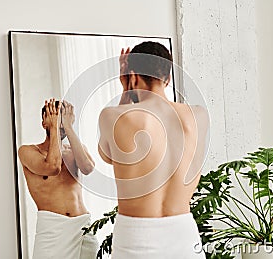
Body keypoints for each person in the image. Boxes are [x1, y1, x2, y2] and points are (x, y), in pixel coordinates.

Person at [98, 42, 208, 258]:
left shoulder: (113, 116)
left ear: (132, 75)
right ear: (167, 78)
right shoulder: (198, 116)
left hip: (136, 238)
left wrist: (126, 91)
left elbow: (108, 156)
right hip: (184, 234)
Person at [18, 98, 98, 259]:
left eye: (63, 117)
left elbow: (88, 168)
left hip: (83, 227)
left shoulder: (76, 149)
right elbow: (53, 167)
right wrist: (54, 126)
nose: (60, 122)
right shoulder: (27, 151)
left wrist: (68, 127)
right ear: (44, 123)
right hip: (52, 230)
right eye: (55, 117)